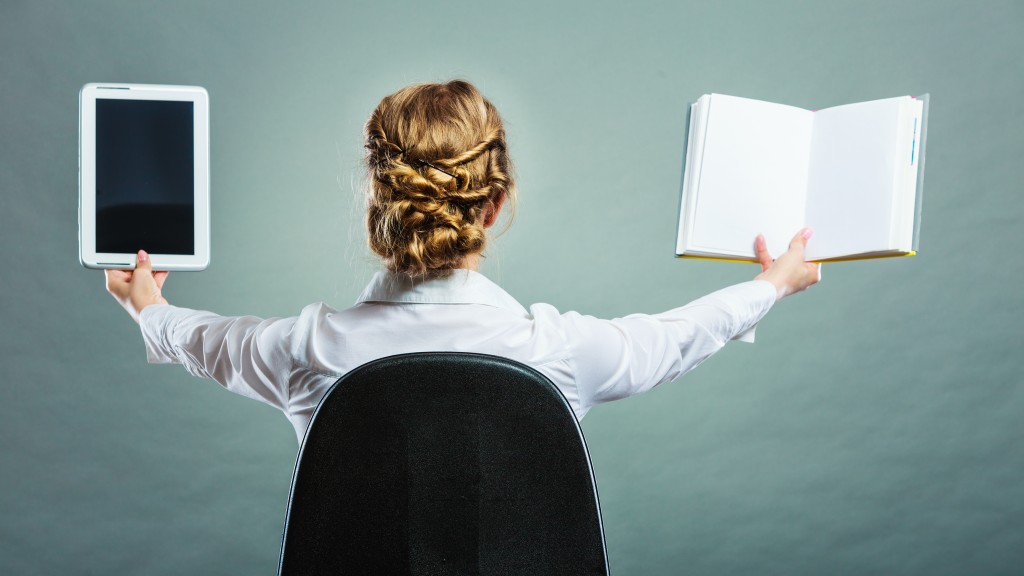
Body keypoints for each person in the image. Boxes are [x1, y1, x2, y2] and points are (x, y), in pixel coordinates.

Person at [105, 80, 820, 441]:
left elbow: (198, 340)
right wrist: (773, 283)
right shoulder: (558, 353)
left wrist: (147, 304)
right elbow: (684, 333)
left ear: (376, 201)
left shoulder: (303, 350)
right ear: (495, 203)